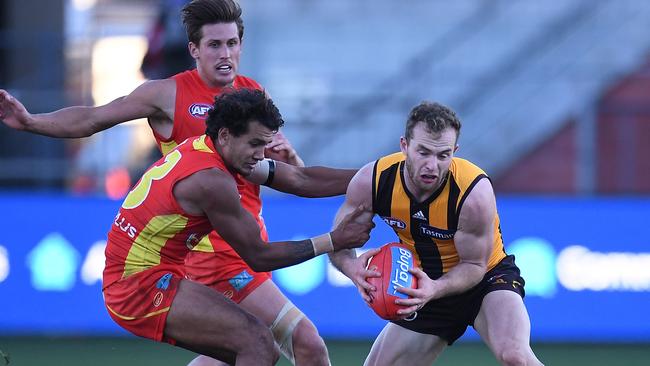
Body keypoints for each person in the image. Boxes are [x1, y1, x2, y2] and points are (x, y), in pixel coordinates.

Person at [0, 1, 344, 365]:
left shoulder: (254, 96)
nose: (225, 54)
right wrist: (31, 122)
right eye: (214, 45)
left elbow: (281, 172)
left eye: (231, 43)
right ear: (194, 50)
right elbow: (93, 118)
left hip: (242, 243)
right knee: (295, 343)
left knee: (251, 350)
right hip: (208, 254)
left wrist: (290, 159)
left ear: (242, 45)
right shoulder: (166, 95)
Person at [103, 88, 374, 365]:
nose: (261, 154)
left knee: (252, 347)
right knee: (257, 344)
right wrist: (334, 240)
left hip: (155, 273)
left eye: (265, 144)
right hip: (137, 286)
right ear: (225, 135)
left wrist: (378, 176)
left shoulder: (212, 149)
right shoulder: (212, 181)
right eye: (255, 144)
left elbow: (300, 179)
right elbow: (259, 256)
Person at [329, 102, 544, 366]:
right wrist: (353, 269)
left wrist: (435, 288)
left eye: (443, 155)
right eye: (423, 152)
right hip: (424, 282)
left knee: (516, 357)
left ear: (455, 151)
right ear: (404, 146)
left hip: (487, 278)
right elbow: (337, 241)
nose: (432, 165)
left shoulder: (472, 193)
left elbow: (475, 266)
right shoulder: (373, 181)